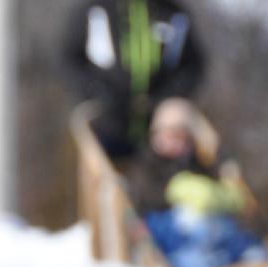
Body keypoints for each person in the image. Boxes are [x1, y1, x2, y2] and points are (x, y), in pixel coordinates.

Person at [129, 98, 258, 267]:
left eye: (182, 137)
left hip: (204, 223)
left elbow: (216, 184)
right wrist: (179, 193)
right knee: (194, 225)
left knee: (223, 225)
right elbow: (147, 196)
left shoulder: (197, 162)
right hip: (166, 226)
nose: (176, 143)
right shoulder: (149, 164)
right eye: (170, 136)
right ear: (156, 135)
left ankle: (243, 257)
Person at [62, 0, 205, 163]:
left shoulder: (173, 12)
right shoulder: (95, 10)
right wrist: (99, 93)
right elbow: (69, 59)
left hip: (160, 130)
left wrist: (167, 99)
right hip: (106, 124)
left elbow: (193, 66)